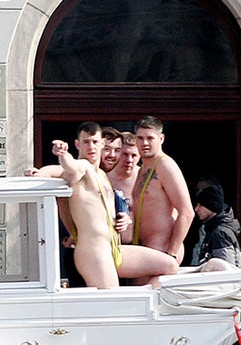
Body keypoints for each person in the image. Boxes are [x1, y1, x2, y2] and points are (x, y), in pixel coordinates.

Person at [27, 123, 176, 288]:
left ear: (102, 144)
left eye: (95, 142)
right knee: (111, 302)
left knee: (169, 266)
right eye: (86, 142)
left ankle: (144, 304)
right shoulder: (82, 167)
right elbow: (67, 168)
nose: (91, 147)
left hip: (113, 247)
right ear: (78, 144)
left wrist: (124, 217)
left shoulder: (103, 174)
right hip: (93, 251)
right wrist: (60, 156)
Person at [131, 116, 194, 264]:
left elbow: (187, 212)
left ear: (161, 139)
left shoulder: (165, 165)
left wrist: (171, 253)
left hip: (162, 247)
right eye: (140, 138)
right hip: (144, 246)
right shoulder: (143, 168)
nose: (144, 143)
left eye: (150, 138)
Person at [192, 184, 241, 269]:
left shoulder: (220, 233)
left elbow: (224, 270)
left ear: (211, 206)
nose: (196, 209)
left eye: (200, 205)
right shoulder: (212, 229)